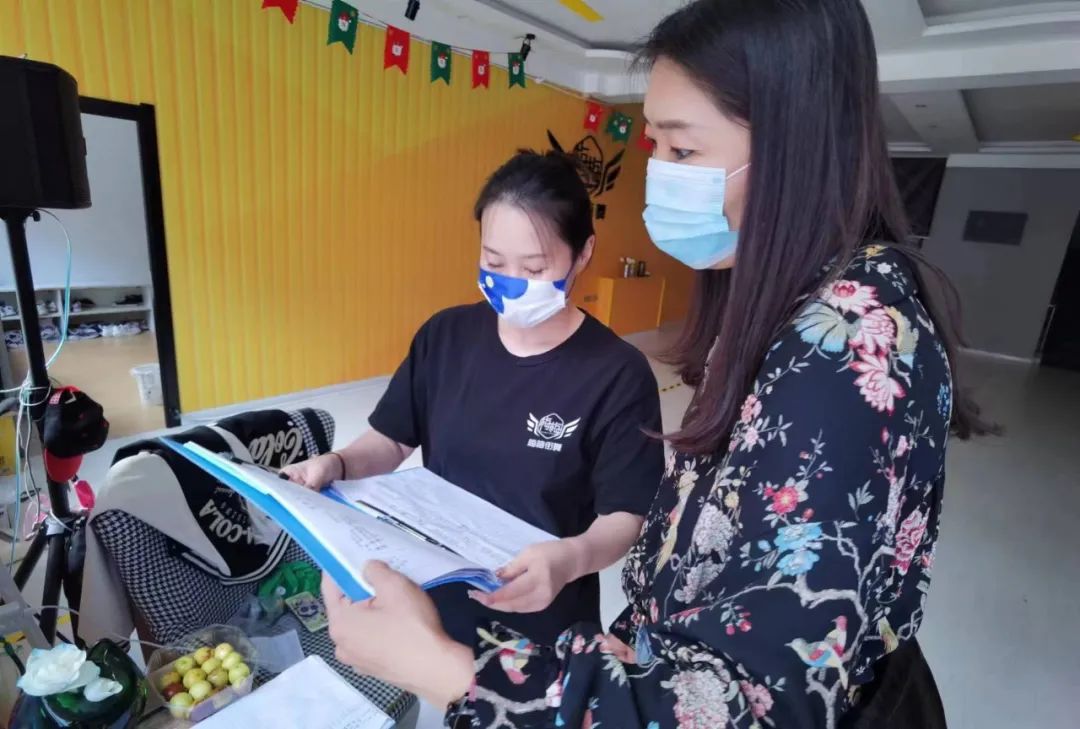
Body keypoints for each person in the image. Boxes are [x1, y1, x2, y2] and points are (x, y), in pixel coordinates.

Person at [320, 1, 994, 727]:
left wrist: (448, 672)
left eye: (682, 149)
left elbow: (755, 701)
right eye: (655, 146)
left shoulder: (846, 348)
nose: (661, 176)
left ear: (792, 145)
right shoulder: (786, 313)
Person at [284, 150, 665, 648]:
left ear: (583, 253)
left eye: (534, 267)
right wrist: (337, 464)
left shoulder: (617, 374)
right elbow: (392, 441)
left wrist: (570, 558)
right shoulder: (446, 335)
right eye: (493, 261)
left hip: (539, 610)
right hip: (431, 592)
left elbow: (625, 516)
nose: (510, 282)